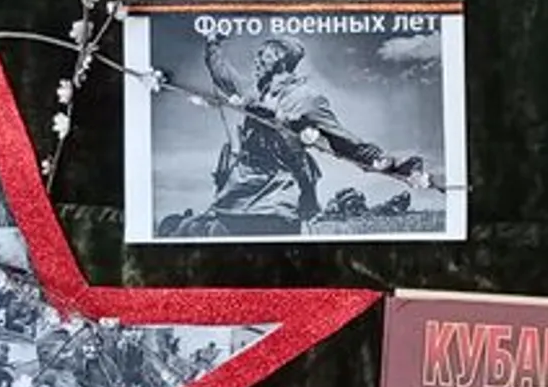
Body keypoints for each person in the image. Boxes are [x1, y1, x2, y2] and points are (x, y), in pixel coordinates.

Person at [167, 34, 424, 238]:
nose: (256, 61)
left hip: (278, 190)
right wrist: (213, 43)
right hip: (240, 188)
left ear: (280, 59)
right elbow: (222, 75)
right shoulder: (254, 92)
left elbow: (344, 142)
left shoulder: (307, 99)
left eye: (262, 55)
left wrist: (388, 162)